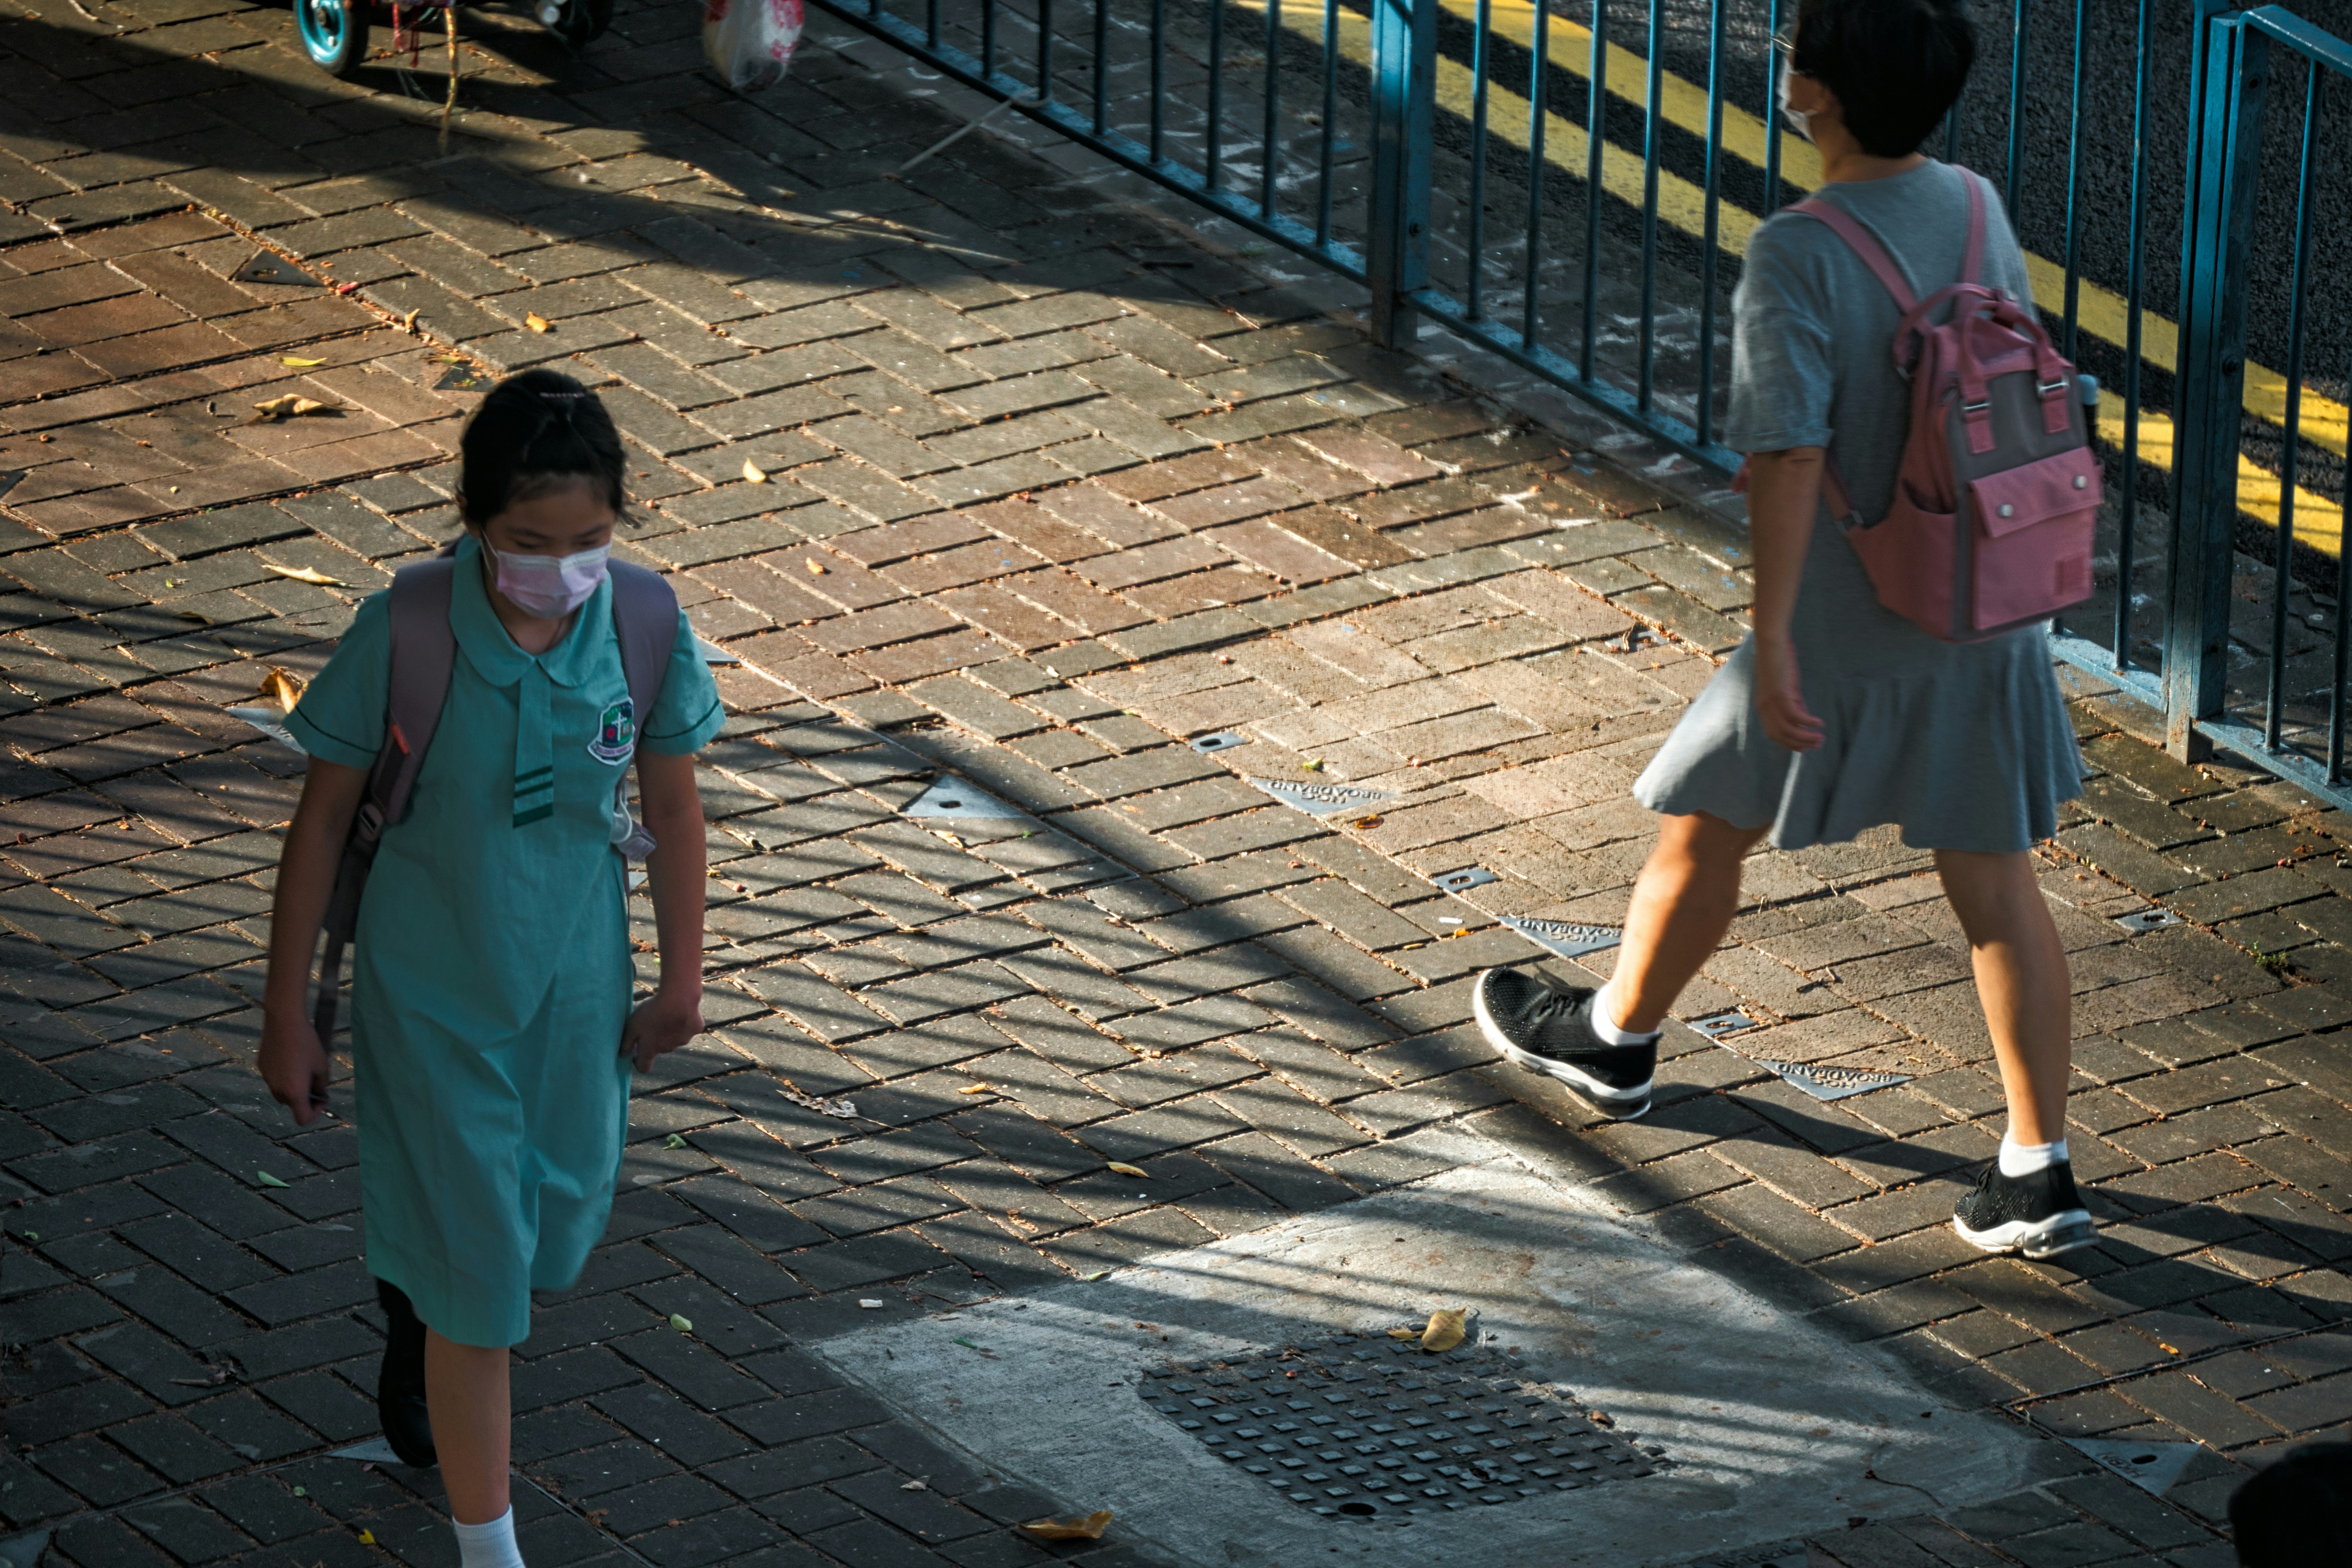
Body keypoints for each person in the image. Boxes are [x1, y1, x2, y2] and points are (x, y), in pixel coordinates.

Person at [1472, 0, 2094, 1259]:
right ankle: (2038, 1171)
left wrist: (1776, 637)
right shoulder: (1977, 205)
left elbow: (1791, 453)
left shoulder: (1800, 251)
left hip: (1848, 606)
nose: (1784, 69)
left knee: (1708, 816)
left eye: (1795, 57)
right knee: (1995, 878)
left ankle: (1616, 1039)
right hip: (1979, 591)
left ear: (1817, 95)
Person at [257, 370, 724, 1568]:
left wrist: (681, 981)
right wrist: (286, 1014)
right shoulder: (406, 629)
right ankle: (489, 1544)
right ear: (473, 522)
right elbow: (323, 821)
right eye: (528, 542)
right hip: (431, 1002)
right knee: (483, 1289)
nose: (561, 569)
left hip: (576, 1000)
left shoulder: (644, 624)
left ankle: (421, 1301)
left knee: (547, 1237)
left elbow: (674, 810)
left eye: (589, 541)